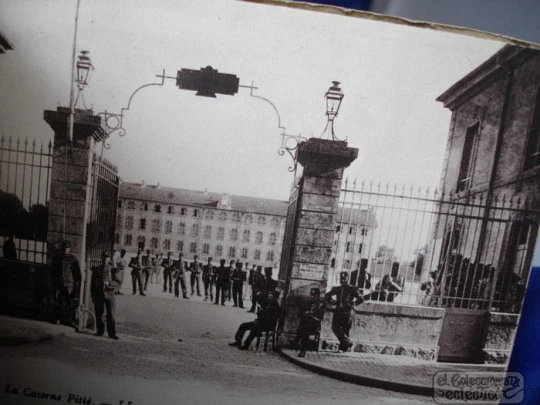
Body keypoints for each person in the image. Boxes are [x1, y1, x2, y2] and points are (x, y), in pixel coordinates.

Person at [325, 271, 365, 352]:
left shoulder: (353, 288)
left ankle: (343, 348)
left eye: (344, 278)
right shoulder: (337, 288)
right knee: (335, 327)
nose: (342, 280)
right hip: (338, 311)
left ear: (348, 278)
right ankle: (348, 342)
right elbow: (327, 295)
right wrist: (332, 301)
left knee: (345, 330)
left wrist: (353, 303)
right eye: (341, 278)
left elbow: (361, 299)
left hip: (347, 312)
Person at [51, 240, 81, 325]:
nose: (65, 249)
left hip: (69, 285)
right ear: (61, 248)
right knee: (58, 302)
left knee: (70, 303)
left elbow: (78, 276)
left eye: (67, 248)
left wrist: (75, 289)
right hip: (59, 284)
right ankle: (58, 318)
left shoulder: (73, 259)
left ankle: (69, 320)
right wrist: (54, 284)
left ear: (70, 249)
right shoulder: (56, 258)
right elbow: (53, 272)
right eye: (64, 247)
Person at [90, 251, 120, 340]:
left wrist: (109, 282)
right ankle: (100, 331)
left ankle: (112, 333)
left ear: (109, 259)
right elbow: (92, 284)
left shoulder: (112, 270)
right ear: (101, 258)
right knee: (99, 313)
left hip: (110, 294)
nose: (104, 259)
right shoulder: (97, 269)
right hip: (99, 294)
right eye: (103, 257)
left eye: (106, 258)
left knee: (111, 314)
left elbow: (118, 282)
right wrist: (93, 295)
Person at [295, 287, 325, 357]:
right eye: (311, 295)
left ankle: (299, 343)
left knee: (304, 328)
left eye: (314, 295)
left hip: (315, 326)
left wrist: (310, 316)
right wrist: (305, 313)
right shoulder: (307, 304)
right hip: (306, 325)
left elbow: (320, 319)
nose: (312, 297)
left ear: (318, 296)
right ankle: (302, 349)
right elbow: (299, 315)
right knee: (305, 328)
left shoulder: (320, 306)